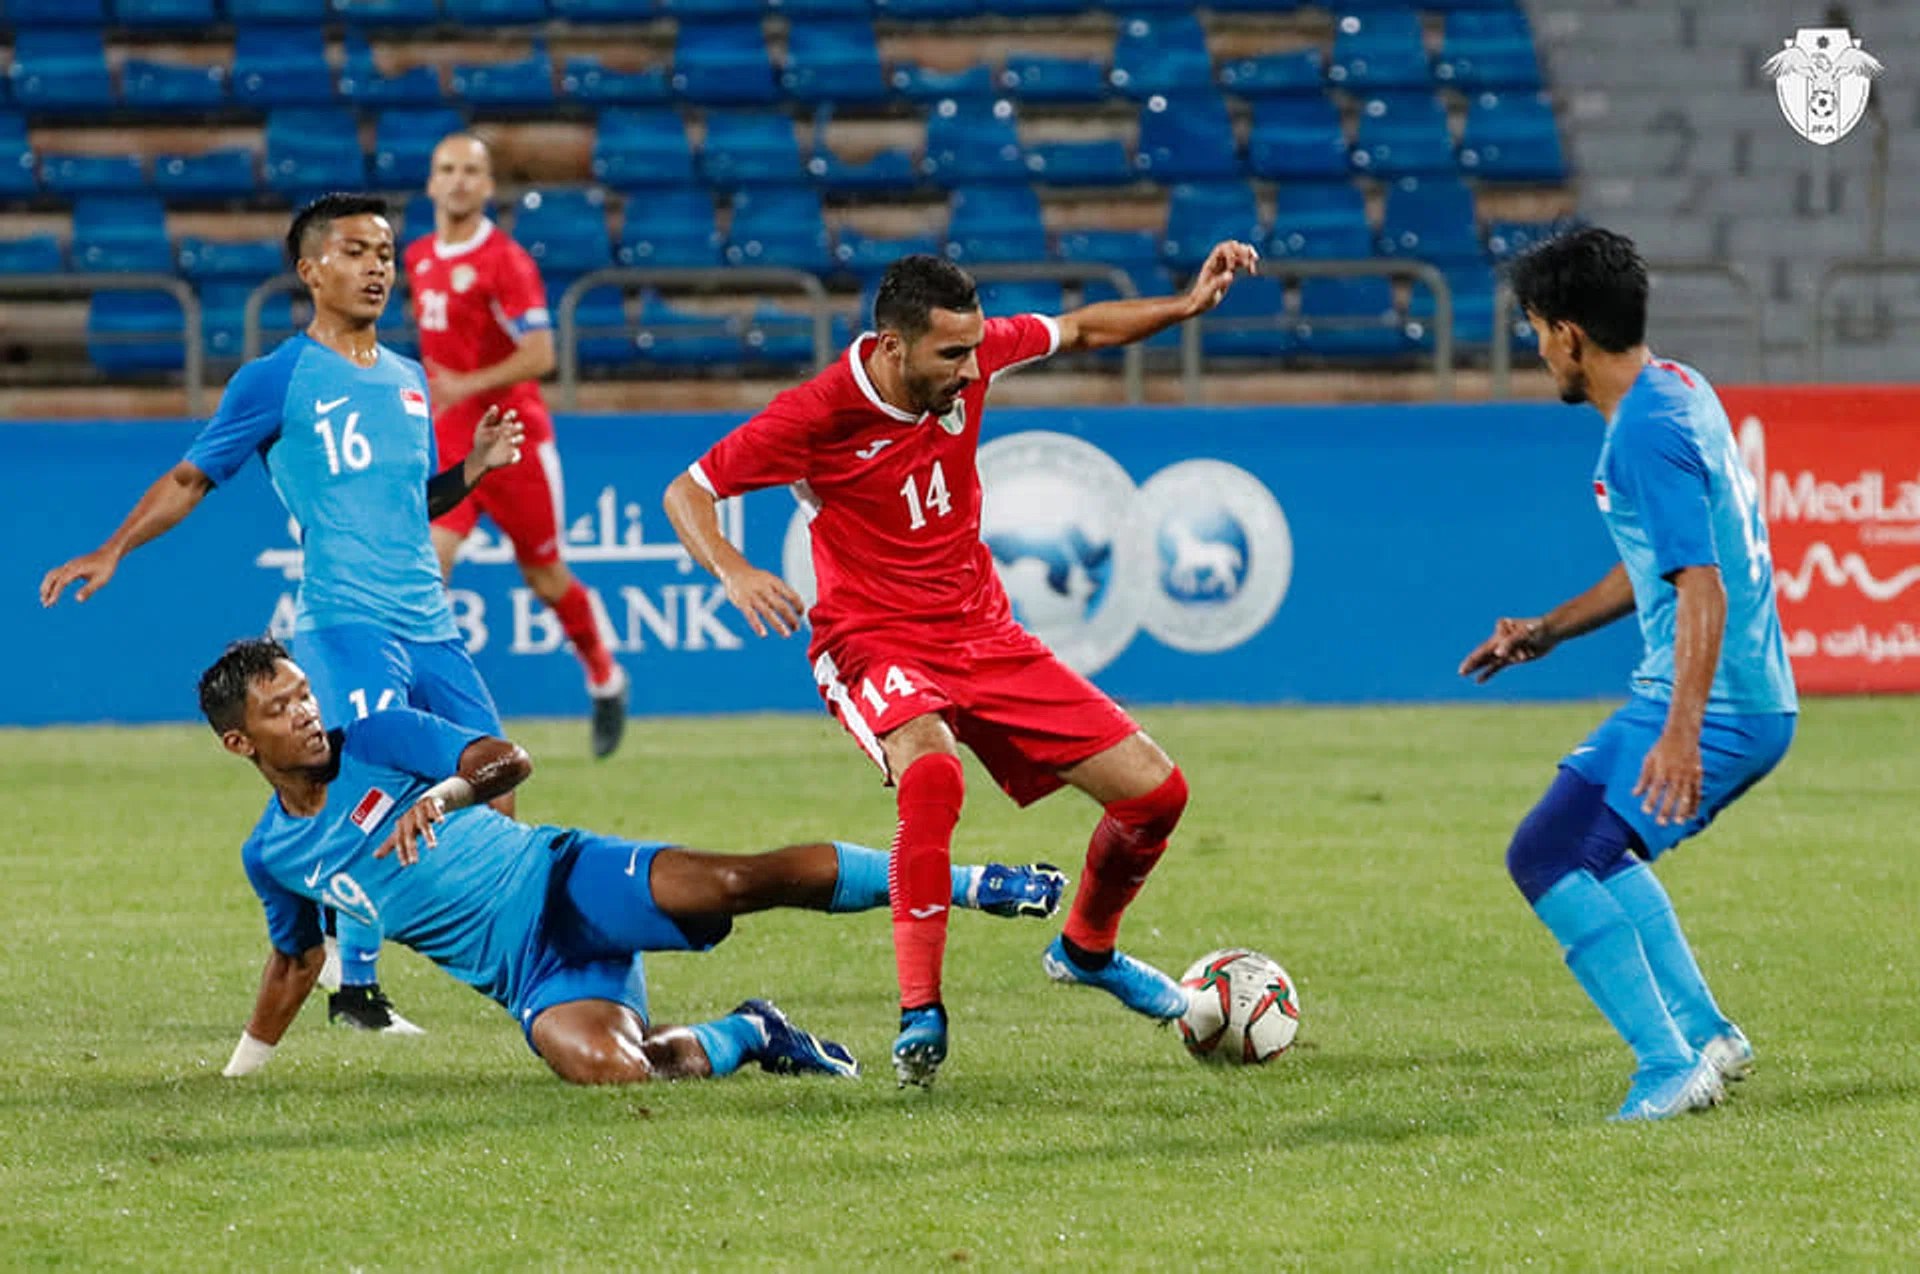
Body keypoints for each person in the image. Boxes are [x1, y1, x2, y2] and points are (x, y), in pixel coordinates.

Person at [663, 246, 1259, 1086]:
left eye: (978, 348)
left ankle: (1087, 949)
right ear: (892, 346)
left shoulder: (970, 362)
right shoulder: (818, 412)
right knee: (933, 776)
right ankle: (920, 1014)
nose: (974, 368)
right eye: (953, 354)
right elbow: (687, 491)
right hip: (872, 638)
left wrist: (1187, 306)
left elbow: (1084, 327)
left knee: (1156, 795)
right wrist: (733, 566)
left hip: (983, 633)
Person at [41, 193, 522, 1036]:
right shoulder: (277, 379)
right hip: (345, 621)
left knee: (497, 791)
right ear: (310, 271)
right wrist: (115, 547)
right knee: (374, 789)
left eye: (384, 252)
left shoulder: (410, 381)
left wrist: (474, 470)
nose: (377, 266)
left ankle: (518, 960)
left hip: (431, 625)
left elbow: (411, 505)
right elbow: (193, 477)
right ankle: (356, 993)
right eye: (355, 251)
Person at [198, 638, 1067, 1084]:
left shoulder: (381, 736)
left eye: (305, 692)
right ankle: (754, 1032)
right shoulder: (273, 855)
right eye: (282, 709)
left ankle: (969, 881)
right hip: (527, 979)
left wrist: (443, 796)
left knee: (739, 880)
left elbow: (507, 760)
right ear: (241, 742)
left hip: (562, 880)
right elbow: (294, 960)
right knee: (618, 1072)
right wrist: (242, 1076)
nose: (307, 713)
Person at [1459, 227, 1798, 1121]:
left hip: (1715, 699)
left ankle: (1667, 1065)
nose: (1536, 351)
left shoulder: (1644, 432)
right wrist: (1549, 630)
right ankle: (1706, 1035)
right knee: (1588, 850)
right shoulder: (1678, 388)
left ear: (1570, 333)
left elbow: (1703, 586)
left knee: (1547, 854)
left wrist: (1683, 731)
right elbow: (1660, 562)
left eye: (1536, 330)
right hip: (1701, 688)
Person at [405, 134, 629, 759]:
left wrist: (464, 385)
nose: (457, 181)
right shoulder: (418, 256)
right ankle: (428, 718)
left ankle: (606, 678)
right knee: (428, 569)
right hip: (454, 444)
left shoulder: (506, 262)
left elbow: (542, 353)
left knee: (546, 576)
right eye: (445, 169)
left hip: (513, 441)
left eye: (470, 171)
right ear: (430, 183)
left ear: (486, 186)